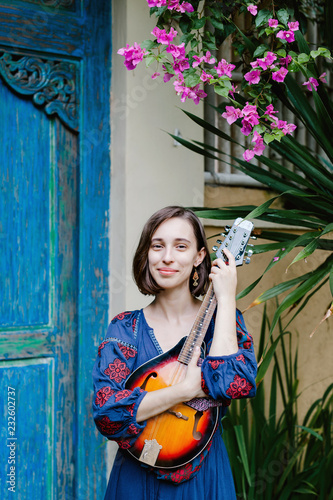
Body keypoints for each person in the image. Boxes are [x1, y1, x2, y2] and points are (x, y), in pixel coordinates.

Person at [92, 206, 257, 500]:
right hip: (135, 478)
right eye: (158, 245)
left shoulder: (224, 321)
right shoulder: (125, 328)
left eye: (181, 246)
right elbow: (107, 414)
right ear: (147, 254)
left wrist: (226, 297)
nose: (167, 256)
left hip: (204, 476)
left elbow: (232, 382)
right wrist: (186, 389)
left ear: (199, 257)